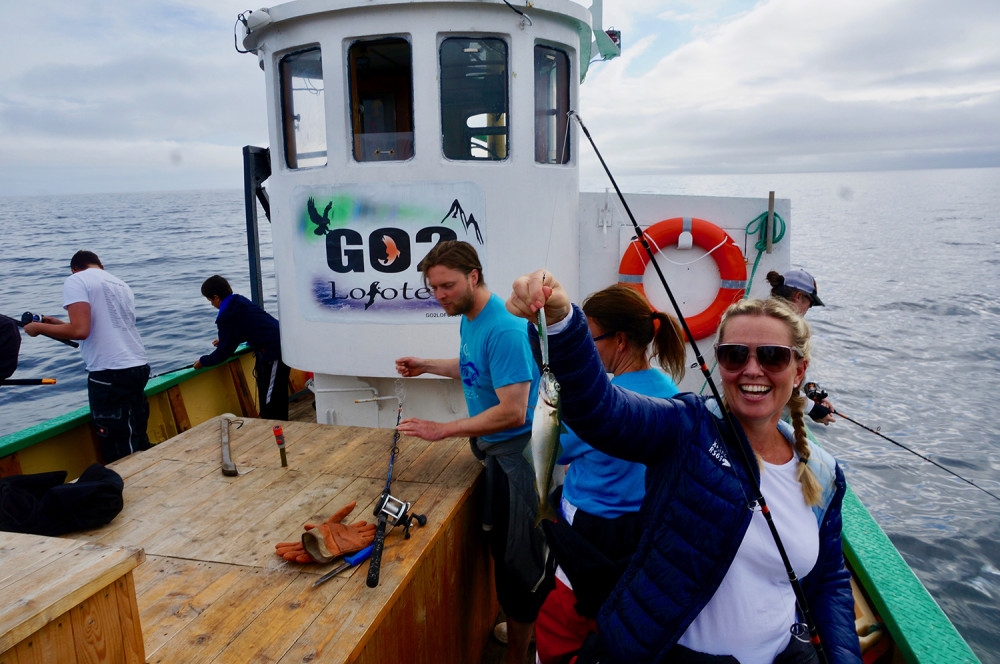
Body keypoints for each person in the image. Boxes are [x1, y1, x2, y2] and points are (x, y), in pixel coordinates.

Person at [507, 270, 861, 664]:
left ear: (799, 371)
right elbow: (601, 410)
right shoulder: (686, 427)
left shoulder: (825, 473)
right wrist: (560, 325)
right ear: (720, 364)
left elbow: (829, 583)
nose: (752, 369)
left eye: (773, 356)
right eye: (735, 354)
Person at [394, 240, 546, 664]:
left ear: (474, 277)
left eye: (447, 285)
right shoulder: (471, 317)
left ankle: (519, 653)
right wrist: (427, 365)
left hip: (518, 460)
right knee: (502, 550)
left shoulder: (505, 327)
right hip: (493, 455)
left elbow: (514, 412)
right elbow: (474, 367)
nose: (439, 295)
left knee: (519, 563)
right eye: (433, 287)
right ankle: (522, 627)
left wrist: (443, 430)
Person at [535, 284, 686, 664]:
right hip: (641, 530)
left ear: (619, 341)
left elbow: (553, 449)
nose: (586, 348)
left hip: (590, 530)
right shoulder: (669, 390)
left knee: (568, 617)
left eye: (589, 338)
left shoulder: (605, 403)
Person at [23, 251, 151, 463]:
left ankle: (129, 490)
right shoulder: (120, 284)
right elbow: (98, 330)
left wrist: (37, 327)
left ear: (74, 269)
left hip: (108, 374)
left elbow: (80, 331)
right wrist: (51, 323)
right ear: (100, 265)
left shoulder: (76, 279)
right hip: (137, 366)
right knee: (137, 436)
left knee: (119, 450)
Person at [193, 275, 290, 421]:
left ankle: (275, 429)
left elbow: (223, 353)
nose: (211, 304)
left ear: (216, 297)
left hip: (274, 351)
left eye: (210, 301)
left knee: (271, 399)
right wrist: (226, 339)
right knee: (276, 392)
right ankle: (277, 427)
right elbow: (248, 326)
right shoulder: (238, 300)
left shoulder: (226, 315)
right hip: (281, 342)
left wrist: (202, 361)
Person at [767, 269, 835, 425]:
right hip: (767, 423)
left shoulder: (762, 315)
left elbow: (786, 372)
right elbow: (773, 381)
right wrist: (812, 408)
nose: (808, 309)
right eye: (810, 303)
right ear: (799, 297)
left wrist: (810, 390)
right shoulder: (782, 330)